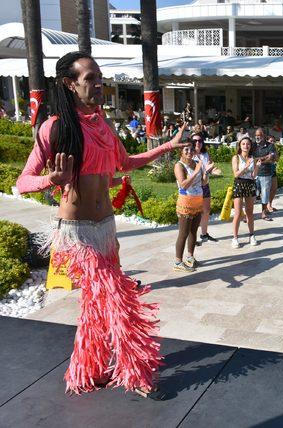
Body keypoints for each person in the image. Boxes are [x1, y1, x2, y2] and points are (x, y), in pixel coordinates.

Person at [16, 51, 190, 396]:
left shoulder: (104, 125)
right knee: (118, 298)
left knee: (95, 307)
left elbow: (126, 162)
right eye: (90, 79)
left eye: (99, 77)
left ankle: (87, 370)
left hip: (106, 229)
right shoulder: (54, 128)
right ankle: (137, 372)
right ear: (70, 84)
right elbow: (23, 181)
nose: (99, 85)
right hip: (76, 234)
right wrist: (52, 179)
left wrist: (167, 146)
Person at [173, 139, 213, 272]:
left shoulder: (197, 163)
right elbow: (184, 184)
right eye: (186, 149)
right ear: (181, 152)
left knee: (193, 232)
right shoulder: (179, 166)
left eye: (191, 149)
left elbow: (202, 183)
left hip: (198, 201)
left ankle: (190, 257)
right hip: (186, 202)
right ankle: (178, 262)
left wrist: (206, 172)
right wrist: (196, 171)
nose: (189, 152)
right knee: (183, 233)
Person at [231, 137, 262, 248]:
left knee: (249, 212)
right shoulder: (236, 158)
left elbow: (253, 176)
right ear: (240, 145)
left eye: (247, 144)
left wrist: (257, 167)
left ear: (250, 146)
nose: (245, 146)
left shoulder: (252, 158)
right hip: (239, 184)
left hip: (249, 184)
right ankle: (235, 238)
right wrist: (246, 166)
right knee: (238, 213)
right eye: (243, 144)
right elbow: (236, 174)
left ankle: (252, 235)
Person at [193, 134, 219, 242]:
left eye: (199, 141)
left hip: (205, 185)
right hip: (194, 187)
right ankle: (192, 238)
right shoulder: (189, 155)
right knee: (194, 213)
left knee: (206, 211)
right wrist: (207, 170)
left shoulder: (205, 154)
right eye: (194, 141)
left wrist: (213, 170)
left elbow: (210, 166)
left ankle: (204, 234)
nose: (197, 143)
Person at [253, 128, 277, 221]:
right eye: (256, 135)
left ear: (264, 136)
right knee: (252, 194)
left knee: (265, 193)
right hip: (254, 173)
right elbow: (251, 159)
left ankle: (264, 212)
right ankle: (250, 214)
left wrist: (258, 159)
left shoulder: (270, 145)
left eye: (259, 135)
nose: (257, 137)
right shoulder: (253, 145)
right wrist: (265, 158)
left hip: (266, 173)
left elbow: (272, 158)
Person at [267, 134, 280, 214]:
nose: (272, 142)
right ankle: (266, 207)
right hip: (265, 170)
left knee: (274, 188)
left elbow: (277, 159)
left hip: (273, 169)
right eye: (271, 141)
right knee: (266, 189)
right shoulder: (265, 149)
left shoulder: (274, 149)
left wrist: (275, 154)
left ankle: (270, 204)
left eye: (273, 141)